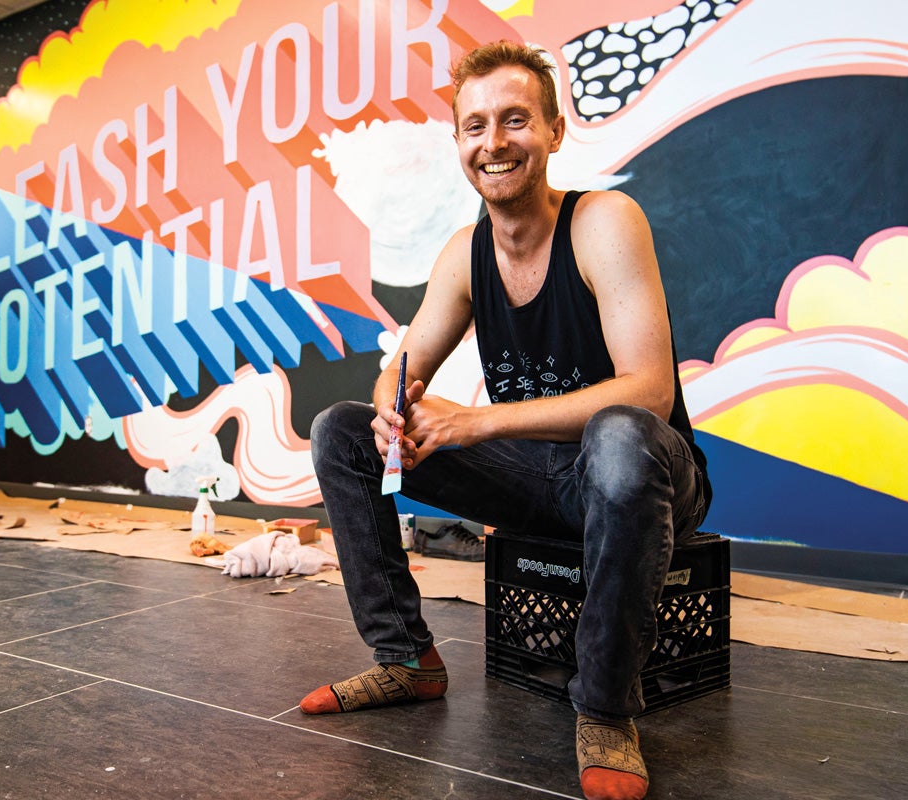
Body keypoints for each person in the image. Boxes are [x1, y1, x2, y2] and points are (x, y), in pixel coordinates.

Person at [300, 40, 711, 800]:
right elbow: (405, 361)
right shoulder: (465, 253)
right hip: (542, 482)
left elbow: (648, 394)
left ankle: (605, 706)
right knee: (342, 430)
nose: (494, 143)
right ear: (459, 142)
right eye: (475, 126)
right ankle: (408, 660)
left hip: (643, 477)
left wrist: (476, 423)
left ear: (554, 131)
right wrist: (395, 402)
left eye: (516, 120)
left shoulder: (604, 222)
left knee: (618, 434)